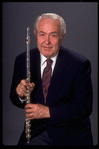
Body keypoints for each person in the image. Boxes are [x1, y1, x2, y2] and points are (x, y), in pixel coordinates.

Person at [10, 13, 93, 145]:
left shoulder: (79, 64)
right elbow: (15, 99)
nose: (47, 41)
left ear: (62, 37)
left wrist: (47, 112)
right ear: (35, 34)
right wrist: (20, 94)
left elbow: (83, 107)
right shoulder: (22, 60)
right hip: (37, 133)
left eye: (53, 35)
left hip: (71, 136)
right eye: (42, 34)